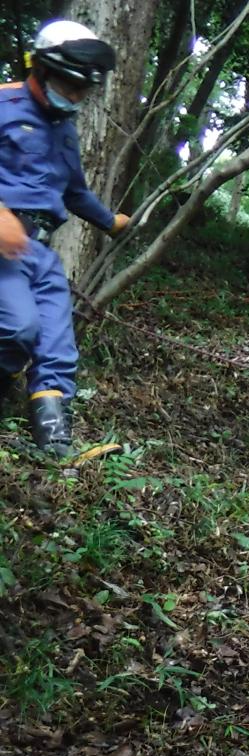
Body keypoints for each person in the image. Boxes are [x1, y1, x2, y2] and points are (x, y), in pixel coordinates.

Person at [0, 20, 129, 462]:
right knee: (18, 328)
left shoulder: (64, 129)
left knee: (56, 343)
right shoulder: (4, 103)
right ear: (40, 68)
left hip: (38, 247)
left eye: (81, 89)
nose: (73, 95)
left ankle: (54, 446)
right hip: (2, 243)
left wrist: (110, 221)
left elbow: (74, 192)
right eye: (67, 84)